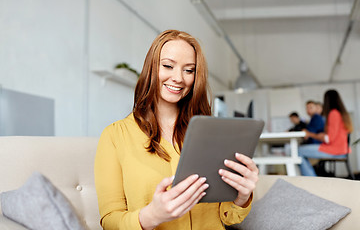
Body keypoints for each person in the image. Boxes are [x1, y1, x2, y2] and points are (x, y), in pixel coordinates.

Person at [94, 30, 259, 230]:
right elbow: (110, 221)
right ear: (151, 68)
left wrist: (242, 197)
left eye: (189, 70)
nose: (179, 78)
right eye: (168, 66)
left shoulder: (211, 134)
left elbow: (227, 217)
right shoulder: (114, 136)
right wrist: (152, 216)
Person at [298, 90, 353, 176]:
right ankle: (312, 177)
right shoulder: (341, 114)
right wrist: (323, 136)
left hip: (335, 150)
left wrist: (311, 134)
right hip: (341, 149)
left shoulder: (333, 114)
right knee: (301, 150)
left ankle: (312, 180)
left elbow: (328, 139)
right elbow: (332, 136)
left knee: (299, 151)